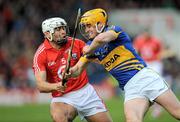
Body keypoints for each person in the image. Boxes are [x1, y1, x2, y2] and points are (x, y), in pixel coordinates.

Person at [66, 8, 180, 122]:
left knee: (177, 113)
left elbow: (101, 39)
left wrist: (88, 49)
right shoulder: (90, 47)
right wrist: (69, 72)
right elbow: (77, 69)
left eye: (89, 25)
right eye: (85, 26)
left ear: (100, 24)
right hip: (130, 88)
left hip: (145, 78)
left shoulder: (113, 30)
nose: (86, 30)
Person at [32, 17, 112, 122]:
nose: (63, 31)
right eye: (58, 29)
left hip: (85, 92)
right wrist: (56, 86)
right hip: (62, 98)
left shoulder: (76, 43)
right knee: (59, 118)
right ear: (47, 34)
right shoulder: (41, 54)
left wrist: (99, 51)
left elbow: (93, 54)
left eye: (63, 28)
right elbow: (40, 85)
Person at [134, 31, 164, 118]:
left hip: (155, 63)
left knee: (156, 85)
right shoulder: (139, 41)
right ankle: (150, 104)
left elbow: (160, 51)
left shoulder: (156, 41)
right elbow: (135, 51)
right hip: (145, 63)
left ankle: (157, 107)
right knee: (145, 85)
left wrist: (158, 57)